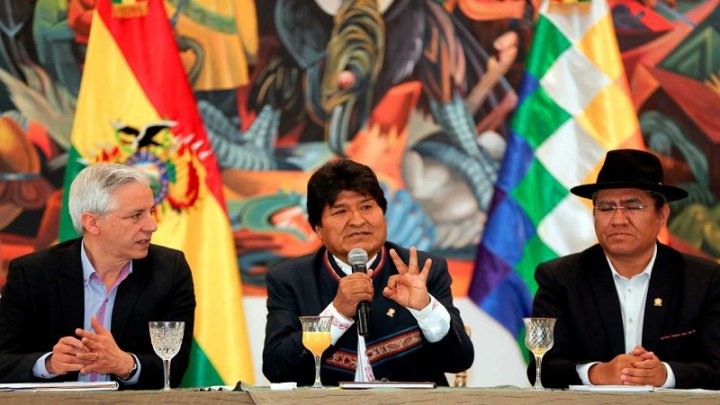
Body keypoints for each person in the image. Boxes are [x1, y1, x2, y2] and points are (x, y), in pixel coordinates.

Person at [263, 159, 474, 386]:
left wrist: (426, 310)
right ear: (318, 230)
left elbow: (459, 359)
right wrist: (337, 314)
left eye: (366, 207)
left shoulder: (421, 269)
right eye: (340, 211)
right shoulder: (290, 279)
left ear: (383, 214)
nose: (357, 220)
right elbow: (277, 368)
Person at [529, 149, 720, 389]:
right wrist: (598, 373)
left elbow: (717, 367)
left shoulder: (704, 280)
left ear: (662, 215)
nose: (618, 219)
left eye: (633, 206)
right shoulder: (560, 278)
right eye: (606, 208)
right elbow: (541, 368)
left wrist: (665, 375)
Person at [0, 163, 196, 389]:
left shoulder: (169, 270)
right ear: (92, 222)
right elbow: (3, 361)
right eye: (136, 216)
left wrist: (125, 364)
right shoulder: (32, 274)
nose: (151, 226)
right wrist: (49, 364)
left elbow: (175, 366)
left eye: (150, 212)